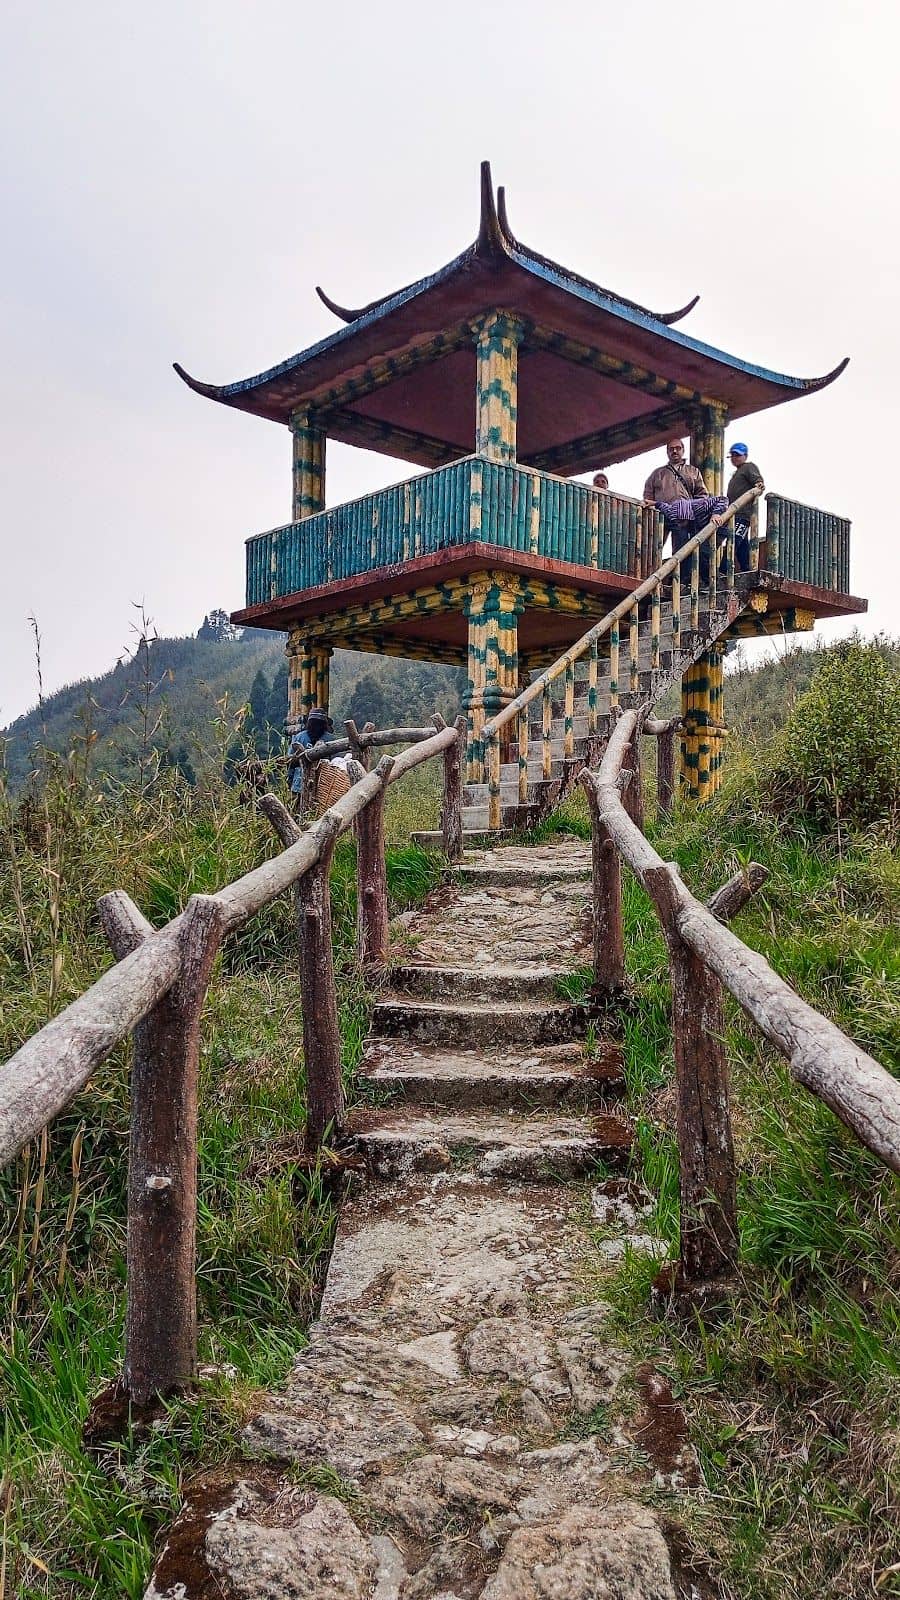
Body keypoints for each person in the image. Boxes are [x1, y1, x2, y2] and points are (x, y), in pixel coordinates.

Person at [644, 438, 726, 582]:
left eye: (677, 448)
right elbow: (648, 498)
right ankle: (650, 576)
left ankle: (684, 581)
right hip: (662, 515)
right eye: (671, 449)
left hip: (688, 516)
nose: (674, 451)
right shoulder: (657, 474)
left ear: (683, 450)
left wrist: (701, 512)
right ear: (667, 452)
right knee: (653, 548)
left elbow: (702, 495)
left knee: (685, 548)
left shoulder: (692, 471)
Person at [726, 442, 764, 572]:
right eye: (732, 455)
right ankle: (746, 569)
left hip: (743, 514)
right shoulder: (736, 473)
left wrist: (759, 484)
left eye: (737, 455)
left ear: (745, 456)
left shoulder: (748, 467)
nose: (734, 458)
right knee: (742, 544)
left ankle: (723, 569)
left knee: (734, 541)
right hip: (734, 514)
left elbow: (758, 481)